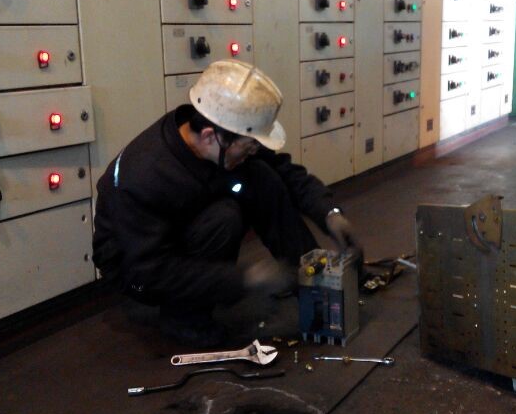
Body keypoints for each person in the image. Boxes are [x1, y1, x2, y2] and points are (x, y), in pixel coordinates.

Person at [92, 60, 359, 347]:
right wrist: (244, 279)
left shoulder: (223, 128)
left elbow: (284, 171)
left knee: (262, 176)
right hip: (137, 272)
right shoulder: (143, 177)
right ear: (210, 136)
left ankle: (312, 284)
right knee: (224, 218)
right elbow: (150, 270)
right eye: (249, 146)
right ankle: (184, 319)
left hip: (176, 232)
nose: (253, 151)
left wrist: (329, 213)